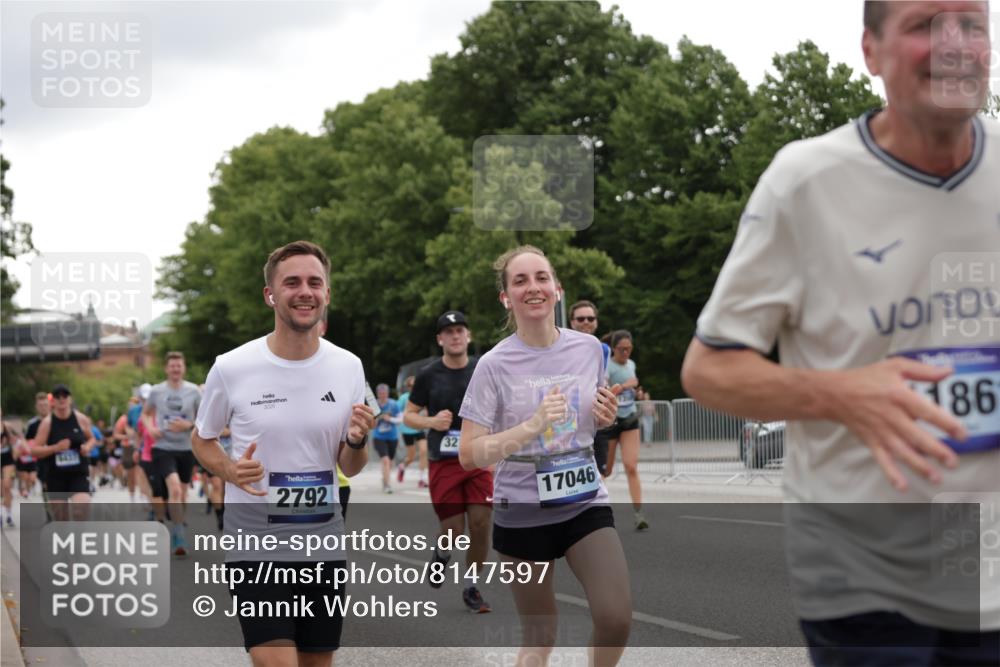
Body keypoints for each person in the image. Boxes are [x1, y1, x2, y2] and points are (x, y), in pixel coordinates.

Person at [681, 2, 999, 664]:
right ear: (871, 50)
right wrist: (841, 394)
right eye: (924, 25)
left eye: (971, 23)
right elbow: (708, 369)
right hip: (861, 569)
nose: (954, 44)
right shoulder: (805, 182)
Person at [193, 240, 374, 666]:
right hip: (255, 545)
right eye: (291, 282)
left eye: (315, 282)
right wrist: (231, 471)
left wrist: (356, 440)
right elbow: (202, 439)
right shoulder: (232, 366)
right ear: (270, 294)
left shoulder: (348, 366)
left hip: (323, 544)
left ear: (327, 293)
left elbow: (350, 465)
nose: (304, 291)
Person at [459, 246, 631, 665]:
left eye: (541, 278)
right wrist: (529, 427)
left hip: (584, 500)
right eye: (520, 281)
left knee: (615, 618)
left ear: (557, 289)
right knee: (541, 636)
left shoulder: (590, 349)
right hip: (521, 511)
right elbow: (470, 454)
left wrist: (604, 416)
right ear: (506, 297)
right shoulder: (493, 365)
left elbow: (587, 419)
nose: (532, 287)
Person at [404, 310, 493, 614]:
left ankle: (471, 586)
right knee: (453, 529)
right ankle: (442, 555)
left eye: (460, 331)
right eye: (449, 332)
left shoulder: (483, 369)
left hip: (478, 457)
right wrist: (431, 421)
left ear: (468, 336)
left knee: (481, 525)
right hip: (444, 460)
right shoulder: (429, 374)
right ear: (440, 339)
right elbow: (409, 415)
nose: (455, 336)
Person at [143, 351, 202, 556]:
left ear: (183, 368)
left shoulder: (194, 391)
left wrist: (189, 424)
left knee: (182, 493)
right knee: (175, 488)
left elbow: (204, 420)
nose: (175, 369)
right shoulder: (157, 391)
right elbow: (146, 414)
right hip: (163, 447)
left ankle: (178, 523)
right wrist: (150, 428)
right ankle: (178, 534)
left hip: (186, 448)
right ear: (166, 369)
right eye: (172, 366)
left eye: (179, 365)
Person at [29, 384, 97, 521]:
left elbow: (92, 439)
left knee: (81, 508)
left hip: (78, 473)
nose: (61, 399)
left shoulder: (80, 419)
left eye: (64, 396)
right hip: (56, 475)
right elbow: (34, 450)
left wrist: (87, 447)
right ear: (52, 401)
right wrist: (55, 448)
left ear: (70, 399)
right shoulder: (47, 423)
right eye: (58, 397)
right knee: (61, 518)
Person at [602, 330, 647, 531]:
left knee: (631, 466)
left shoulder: (632, 365)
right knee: (606, 470)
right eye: (622, 349)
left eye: (629, 349)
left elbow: (633, 386)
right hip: (611, 422)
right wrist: (623, 386)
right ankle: (598, 515)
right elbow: (606, 390)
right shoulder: (607, 365)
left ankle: (639, 515)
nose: (626, 353)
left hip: (629, 419)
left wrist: (636, 391)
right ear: (614, 349)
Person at [569, 300, 613, 477]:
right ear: (572, 322)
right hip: (568, 420)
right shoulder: (560, 347)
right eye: (580, 319)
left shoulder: (603, 349)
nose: (586, 322)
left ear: (596, 321)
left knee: (601, 472)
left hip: (595, 416)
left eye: (590, 318)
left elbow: (602, 379)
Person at [396, 375, 429, 488]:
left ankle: (421, 479)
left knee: (424, 451)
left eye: (416, 385)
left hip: (419, 428)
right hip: (407, 430)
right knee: (411, 457)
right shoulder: (404, 398)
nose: (414, 387)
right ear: (408, 387)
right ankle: (402, 467)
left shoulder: (423, 396)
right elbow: (396, 411)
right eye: (411, 386)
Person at [372, 383, 402, 493]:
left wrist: (390, 419)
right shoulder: (373, 405)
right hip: (379, 437)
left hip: (392, 437)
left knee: (390, 462)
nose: (383, 395)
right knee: (385, 460)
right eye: (380, 393)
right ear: (377, 394)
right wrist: (377, 419)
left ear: (388, 393)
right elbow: (371, 423)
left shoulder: (393, 404)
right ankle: (387, 485)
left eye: (384, 393)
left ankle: (385, 478)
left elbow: (400, 419)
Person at [1, 410, 18, 526]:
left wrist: (15, 451)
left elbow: (16, 440)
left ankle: (9, 515)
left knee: (7, 485)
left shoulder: (6, 426)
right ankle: (2, 514)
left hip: (7, 458)